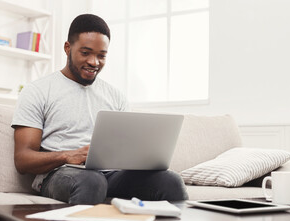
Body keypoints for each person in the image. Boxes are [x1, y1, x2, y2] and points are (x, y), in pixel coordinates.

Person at [12, 14, 188, 205]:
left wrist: (141, 159)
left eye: (101, 55)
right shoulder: (37, 91)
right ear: (67, 48)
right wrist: (67, 155)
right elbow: (23, 159)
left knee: (170, 181)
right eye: (85, 53)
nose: (94, 62)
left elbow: (126, 149)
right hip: (59, 175)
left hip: (110, 175)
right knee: (92, 181)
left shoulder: (115, 96)